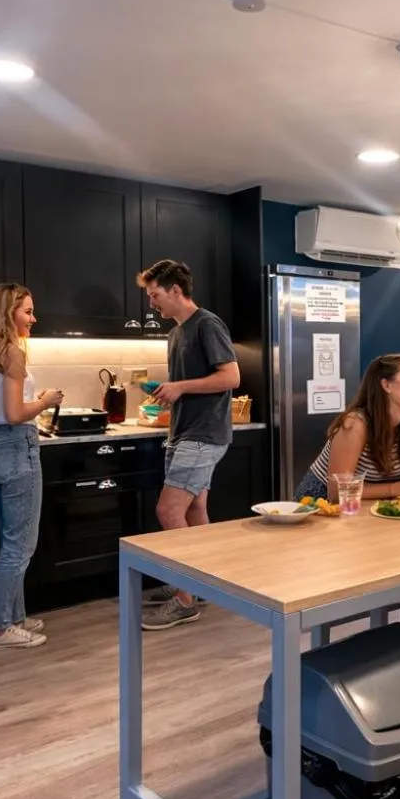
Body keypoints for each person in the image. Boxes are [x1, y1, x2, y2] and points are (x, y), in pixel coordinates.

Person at [297, 354, 400, 633]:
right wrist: (397, 489)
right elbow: (336, 490)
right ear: (386, 385)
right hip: (323, 510)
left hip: (376, 511)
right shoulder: (356, 424)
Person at [137, 259, 240, 631]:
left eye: (155, 295)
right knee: (195, 509)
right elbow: (192, 383)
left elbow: (230, 376)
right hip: (183, 432)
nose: (152, 304)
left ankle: (184, 600)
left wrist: (180, 387)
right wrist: (170, 392)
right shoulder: (176, 332)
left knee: (168, 511)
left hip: (204, 434)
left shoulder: (207, 324)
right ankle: (200, 583)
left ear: (176, 291)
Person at [0, 283, 64, 651]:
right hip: (16, 448)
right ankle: (0, 629)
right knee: (20, 546)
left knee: (11, 540)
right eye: (27, 311)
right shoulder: (12, 353)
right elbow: (15, 413)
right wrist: (45, 400)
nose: (33, 318)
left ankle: (14, 617)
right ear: (8, 314)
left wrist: (26, 403)